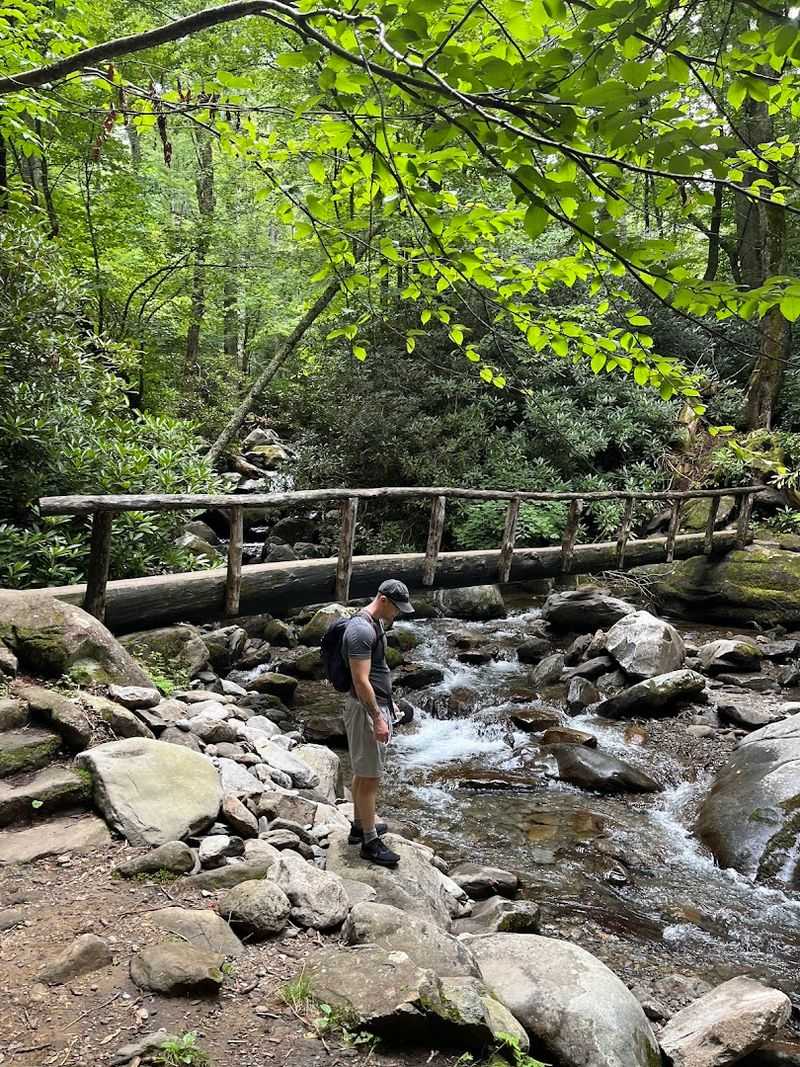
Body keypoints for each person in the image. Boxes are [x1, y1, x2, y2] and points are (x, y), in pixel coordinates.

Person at [342, 578, 414, 867]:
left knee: (362, 770)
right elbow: (360, 680)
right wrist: (377, 717)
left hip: (374, 705)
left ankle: (359, 826)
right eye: (397, 608)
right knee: (371, 776)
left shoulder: (372, 624)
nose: (398, 613)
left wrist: (388, 702)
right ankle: (370, 842)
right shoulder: (360, 630)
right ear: (383, 600)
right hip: (365, 710)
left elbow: (375, 674)